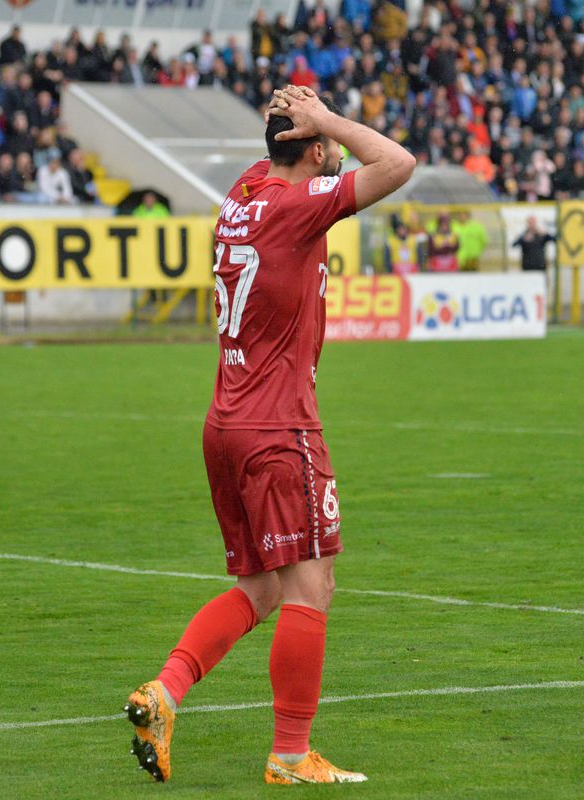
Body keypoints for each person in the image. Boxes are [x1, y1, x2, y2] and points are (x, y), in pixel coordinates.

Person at [123, 84, 414, 785]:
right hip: (279, 426)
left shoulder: (244, 191)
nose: (336, 153)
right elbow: (397, 163)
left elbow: (283, 158)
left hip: (224, 423)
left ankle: (164, 693)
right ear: (312, 148)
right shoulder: (295, 205)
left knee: (260, 589)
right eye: (327, 147)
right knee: (312, 586)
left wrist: (295, 121)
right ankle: (290, 754)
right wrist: (327, 120)